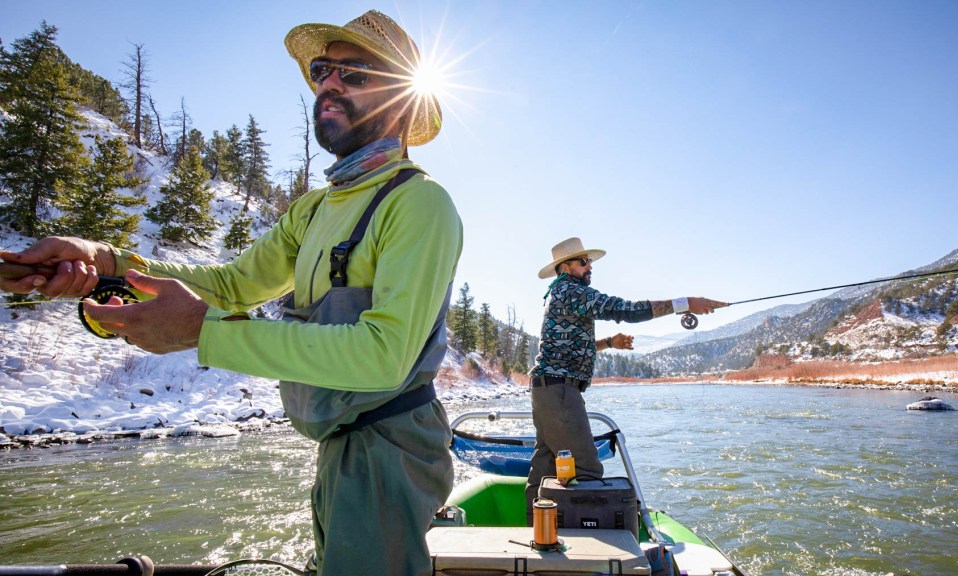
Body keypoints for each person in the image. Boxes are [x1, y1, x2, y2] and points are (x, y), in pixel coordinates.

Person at [0, 10, 461, 576]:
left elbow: (383, 356)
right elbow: (231, 286)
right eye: (323, 70)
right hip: (339, 447)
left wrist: (203, 331)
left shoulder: (418, 204)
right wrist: (105, 264)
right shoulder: (314, 210)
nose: (329, 84)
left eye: (356, 73)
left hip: (392, 452)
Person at [525, 237, 726, 512]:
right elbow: (626, 310)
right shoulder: (572, 292)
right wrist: (685, 302)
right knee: (586, 470)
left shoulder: (558, 293)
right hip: (559, 393)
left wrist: (608, 343)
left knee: (544, 470)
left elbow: (566, 346)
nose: (589, 267)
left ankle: (536, 534)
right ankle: (585, 547)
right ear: (566, 267)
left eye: (590, 261)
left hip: (546, 391)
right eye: (584, 262)